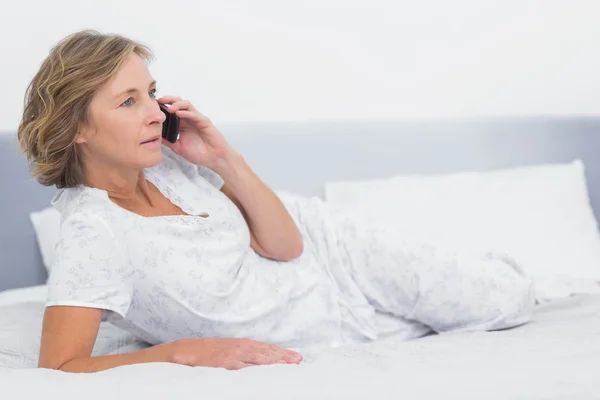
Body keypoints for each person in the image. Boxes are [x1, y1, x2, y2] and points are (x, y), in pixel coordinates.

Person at [18, 30, 535, 373]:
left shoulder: (169, 165)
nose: (155, 112)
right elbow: (59, 368)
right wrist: (183, 352)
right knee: (454, 320)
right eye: (128, 101)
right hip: (325, 324)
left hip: (331, 255)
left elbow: (286, 245)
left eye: (151, 93)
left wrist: (221, 157)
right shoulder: (93, 234)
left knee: (502, 301)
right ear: (76, 127)